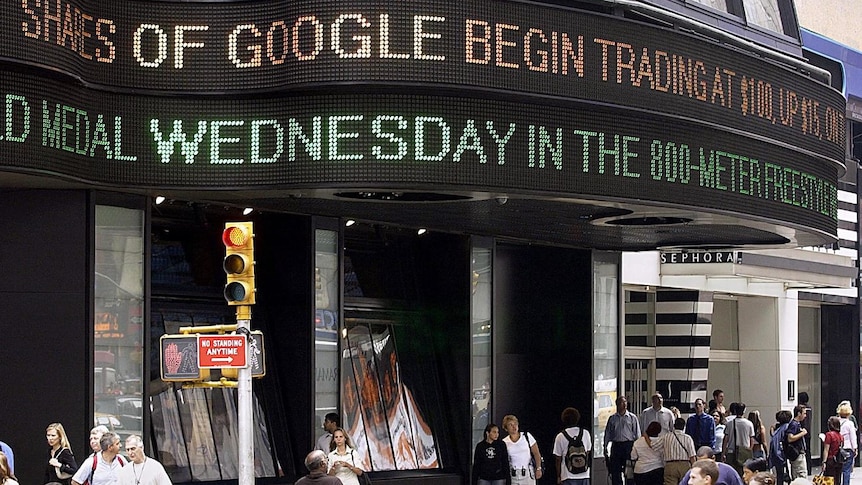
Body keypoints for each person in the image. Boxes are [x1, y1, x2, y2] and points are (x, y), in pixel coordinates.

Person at [604, 396, 641, 485]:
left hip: (628, 445)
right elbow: (608, 433)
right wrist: (605, 447)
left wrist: (638, 448)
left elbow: (637, 433)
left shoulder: (632, 417)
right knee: (615, 471)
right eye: (621, 403)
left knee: (629, 471)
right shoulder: (612, 418)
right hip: (616, 445)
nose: (624, 405)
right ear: (617, 405)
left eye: (625, 402)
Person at [553, 407, 591, 485]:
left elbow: (558, 459)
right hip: (584, 474)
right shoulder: (585, 433)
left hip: (568, 475)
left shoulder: (560, 436)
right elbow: (587, 451)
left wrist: (559, 476)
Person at [502, 415, 543, 485]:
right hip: (513, 474)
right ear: (506, 428)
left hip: (527, 472)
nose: (514, 427)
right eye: (510, 425)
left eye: (515, 424)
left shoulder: (527, 436)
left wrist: (538, 468)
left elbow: (536, 453)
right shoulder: (504, 442)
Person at [678, 447, 745, 485]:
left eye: (705, 461)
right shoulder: (694, 471)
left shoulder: (728, 471)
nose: (690, 482)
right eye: (700, 462)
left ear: (713, 458)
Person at [723, 403, 754, 476]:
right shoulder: (749, 423)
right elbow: (751, 438)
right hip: (744, 451)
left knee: (732, 474)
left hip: (731, 452)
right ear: (744, 411)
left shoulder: (729, 423)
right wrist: (749, 450)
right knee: (744, 474)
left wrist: (723, 453)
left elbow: (725, 439)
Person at [663, 418, 696, 485]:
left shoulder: (666, 437)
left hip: (670, 465)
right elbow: (692, 456)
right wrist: (695, 468)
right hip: (684, 465)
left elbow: (654, 445)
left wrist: (646, 436)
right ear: (684, 426)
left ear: (674, 426)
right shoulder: (687, 438)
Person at [769, 410, 793, 485]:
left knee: (780, 477)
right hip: (782, 455)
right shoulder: (786, 427)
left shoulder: (778, 430)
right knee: (786, 475)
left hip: (776, 456)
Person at [784, 405, 808, 480]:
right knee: (801, 474)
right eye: (804, 413)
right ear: (798, 413)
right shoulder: (794, 424)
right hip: (797, 454)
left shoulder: (796, 424)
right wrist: (803, 433)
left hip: (798, 453)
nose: (805, 416)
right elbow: (790, 438)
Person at [837, 401, 857, 485]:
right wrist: (855, 448)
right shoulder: (850, 423)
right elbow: (853, 437)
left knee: (838, 469)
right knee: (847, 470)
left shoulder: (836, 422)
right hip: (848, 447)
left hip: (838, 447)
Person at [821, 416, 843, 485]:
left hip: (830, 459)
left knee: (829, 480)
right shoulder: (840, 436)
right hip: (838, 460)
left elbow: (826, 449)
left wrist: (824, 462)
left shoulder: (829, 435)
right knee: (837, 479)